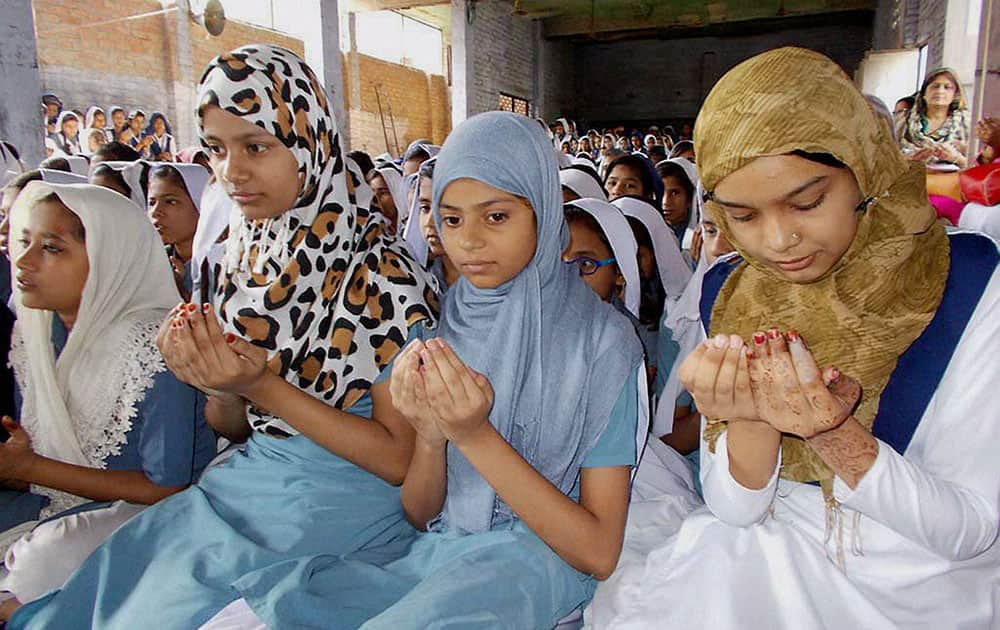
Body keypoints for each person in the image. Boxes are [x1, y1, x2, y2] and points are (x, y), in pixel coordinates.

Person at [7, 43, 436, 630]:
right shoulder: (243, 256)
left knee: (163, 608)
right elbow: (234, 426)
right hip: (247, 483)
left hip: (340, 501)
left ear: (309, 141)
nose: (232, 171)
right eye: (216, 150)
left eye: (256, 146)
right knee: (118, 578)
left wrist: (259, 385)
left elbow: (398, 460)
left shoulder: (380, 272)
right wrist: (215, 383)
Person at [587, 47, 1000, 630]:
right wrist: (751, 419)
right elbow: (736, 509)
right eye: (744, 217)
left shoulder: (970, 286)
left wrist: (831, 432)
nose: (779, 241)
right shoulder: (733, 294)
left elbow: (971, 530)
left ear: (865, 166)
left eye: (807, 202)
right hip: (760, 551)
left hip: (915, 581)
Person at [198, 110, 645, 630]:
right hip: (438, 553)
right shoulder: (437, 333)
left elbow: (596, 551)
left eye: (496, 216)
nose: (469, 241)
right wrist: (431, 441)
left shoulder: (604, 345)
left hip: (535, 562)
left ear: (544, 213)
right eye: (451, 219)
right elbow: (419, 513)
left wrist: (473, 436)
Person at [0, 182, 214, 618]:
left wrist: (30, 468)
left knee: (42, 561)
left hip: (149, 508)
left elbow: (165, 487)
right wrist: (22, 467)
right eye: (24, 242)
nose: (22, 262)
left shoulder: (153, 346)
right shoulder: (37, 332)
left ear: (106, 261)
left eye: (52, 248)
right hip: (53, 496)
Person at [146, 163, 211, 299]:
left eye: (170, 202)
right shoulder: (152, 262)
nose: (156, 212)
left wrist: (178, 290)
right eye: (152, 203)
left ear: (201, 204)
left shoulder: (224, 264)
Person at [896, 68, 970, 168]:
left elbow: (978, 167)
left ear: (955, 95)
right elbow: (883, 159)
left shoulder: (967, 124)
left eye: (947, 87)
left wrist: (955, 158)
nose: (940, 91)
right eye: (935, 86)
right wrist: (908, 159)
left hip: (953, 182)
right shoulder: (903, 122)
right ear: (924, 94)